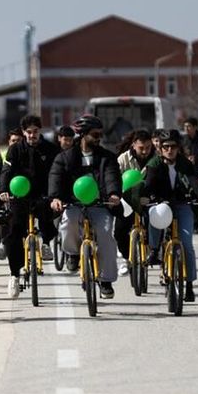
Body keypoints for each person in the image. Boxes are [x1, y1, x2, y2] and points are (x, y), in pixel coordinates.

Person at [49, 114, 122, 299]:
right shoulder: (64, 158)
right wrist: (56, 198)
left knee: (106, 234)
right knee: (68, 222)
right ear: (82, 135)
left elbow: (111, 177)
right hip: (74, 204)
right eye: (95, 134)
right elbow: (56, 178)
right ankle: (72, 253)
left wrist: (113, 194)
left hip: (100, 204)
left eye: (100, 134)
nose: (99, 138)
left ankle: (105, 280)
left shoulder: (107, 157)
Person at [140, 129, 198, 302]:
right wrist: (145, 196)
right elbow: (149, 182)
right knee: (155, 215)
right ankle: (154, 250)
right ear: (160, 149)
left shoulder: (185, 163)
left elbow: (193, 180)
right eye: (166, 147)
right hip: (161, 202)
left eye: (174, 147)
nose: (170, 150)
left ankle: (189, 285)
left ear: (178, 148)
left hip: (182, 203)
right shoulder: (154, 163)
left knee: (186, 243)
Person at [0, 114, 60, 298]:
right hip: (20, 195)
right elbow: (6, 171)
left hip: (43, 194)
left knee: (48, 215)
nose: (32, 135)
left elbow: (56, 173)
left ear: (40, 131)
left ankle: (46, 242)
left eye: (35, 132)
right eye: (29, 132)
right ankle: (14, 276)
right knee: (14, 232)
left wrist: (55, 195)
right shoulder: (15, 150)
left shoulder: (50, 149)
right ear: (24, 132)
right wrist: (3, 191)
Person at [113, 129, 154, 273]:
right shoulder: (123, 159)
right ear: (134, 145)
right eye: (141, 148)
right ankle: (126, 258)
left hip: (149, 199)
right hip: (127, 199)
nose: (145, 151)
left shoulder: (156, 158)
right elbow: (116, 180)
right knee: (119, 231)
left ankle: (154, 252)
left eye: (148, 147)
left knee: (154, 225)